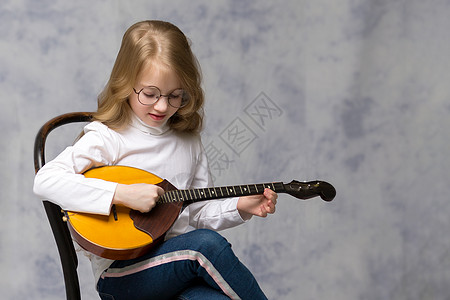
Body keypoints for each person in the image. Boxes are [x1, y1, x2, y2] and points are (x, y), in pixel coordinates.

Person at [33, 20, 278, 300]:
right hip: (122, 275)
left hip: (179, 269)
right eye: (149, 94)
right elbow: (46, 181)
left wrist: (240, 207)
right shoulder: (107, 138)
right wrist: (122, 194)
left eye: (176, 96)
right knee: (206, 247)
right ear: (125, 84)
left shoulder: (188, 142)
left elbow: (194, 215)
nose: (162, 106)